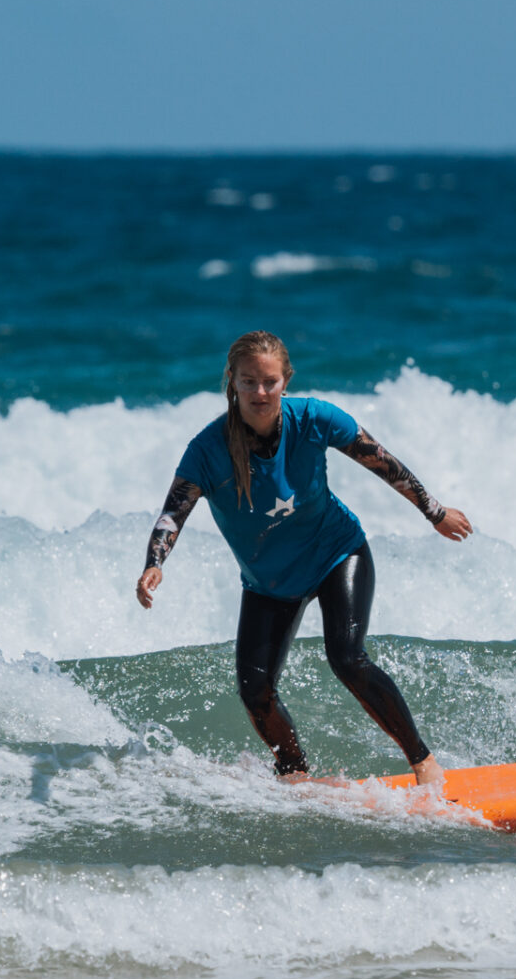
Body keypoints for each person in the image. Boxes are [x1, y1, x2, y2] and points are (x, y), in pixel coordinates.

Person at [135, 330, 470, 787]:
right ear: (231, 381)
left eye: (269, 381)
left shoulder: (314, 418)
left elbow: (381, 461)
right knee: (255, 692)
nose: (259, 391)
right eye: (248, 381)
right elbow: (173, 513)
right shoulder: (207, 450)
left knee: (347, 658)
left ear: (285, 381)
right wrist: (155, 563)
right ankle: (294, 776)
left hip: (336, 553)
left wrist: (434, 512)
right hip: (269, 582)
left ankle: (424, 763)